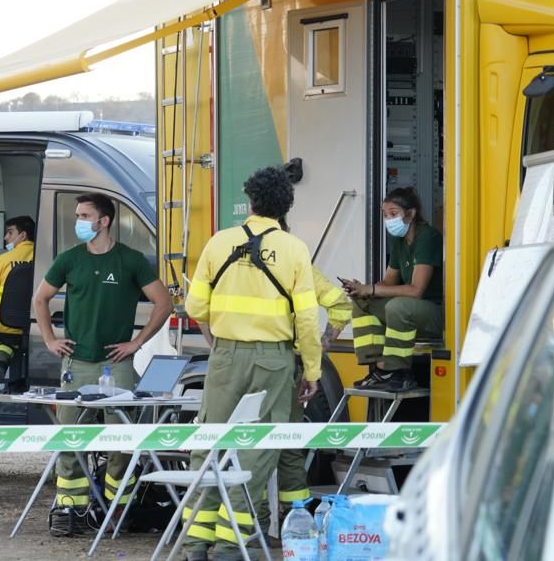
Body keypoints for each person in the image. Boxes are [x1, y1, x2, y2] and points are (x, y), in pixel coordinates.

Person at [181, 167, 322, 561]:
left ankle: (195, 543)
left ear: (251, 201)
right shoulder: (294, 249)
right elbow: (307, 320)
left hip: (225, 357)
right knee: (255, 452)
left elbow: (195, 306)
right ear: (286, 206)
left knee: (210, 444)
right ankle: (230, 544)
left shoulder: (219, 242)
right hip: (273, 361)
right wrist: (312, 369)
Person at [33, 192, 172, 536]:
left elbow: (163, 303)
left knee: (121, 441)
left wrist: (137, 343)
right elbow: (40, 299)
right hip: (76, 363)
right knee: (70, 438)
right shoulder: (69, 259)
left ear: (104, 221)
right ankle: (70, 512)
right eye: (78, 215)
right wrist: (50, 340)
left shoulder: (131, 260)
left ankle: (116, 511)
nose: (78, 221)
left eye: (84, 215)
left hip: (117, 363)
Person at [271, 219, 353, 514]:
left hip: (248, 362)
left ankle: (253, 524)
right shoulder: (298, 262)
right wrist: (320, 349)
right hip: (290, 365)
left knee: (251, 444)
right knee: (291, 445)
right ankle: (295, 517)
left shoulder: (240, 261)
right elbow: (341, 305)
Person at [341, 187, 443, 393]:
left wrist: (371, 289)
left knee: (398, 306)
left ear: (411, 214)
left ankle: (399, 372)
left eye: (393, 214)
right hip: (412, 312)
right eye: (385, 215)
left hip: (435, 314)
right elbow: (388, 281)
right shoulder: (399, 240)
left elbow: (416, 291)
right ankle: (379, 368)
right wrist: (363, 290)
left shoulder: (427, 237)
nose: (389, 220)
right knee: (362, 301)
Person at [0, 215, 35, 392]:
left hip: (7, 324)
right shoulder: (45, 258)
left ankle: (0, 366)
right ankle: (24, 384)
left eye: (10, 233)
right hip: (38, 324)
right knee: (28, 343)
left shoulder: (3, 260)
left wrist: (2, 307)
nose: (6, 237)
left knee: (7, 342)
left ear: (23, 235)